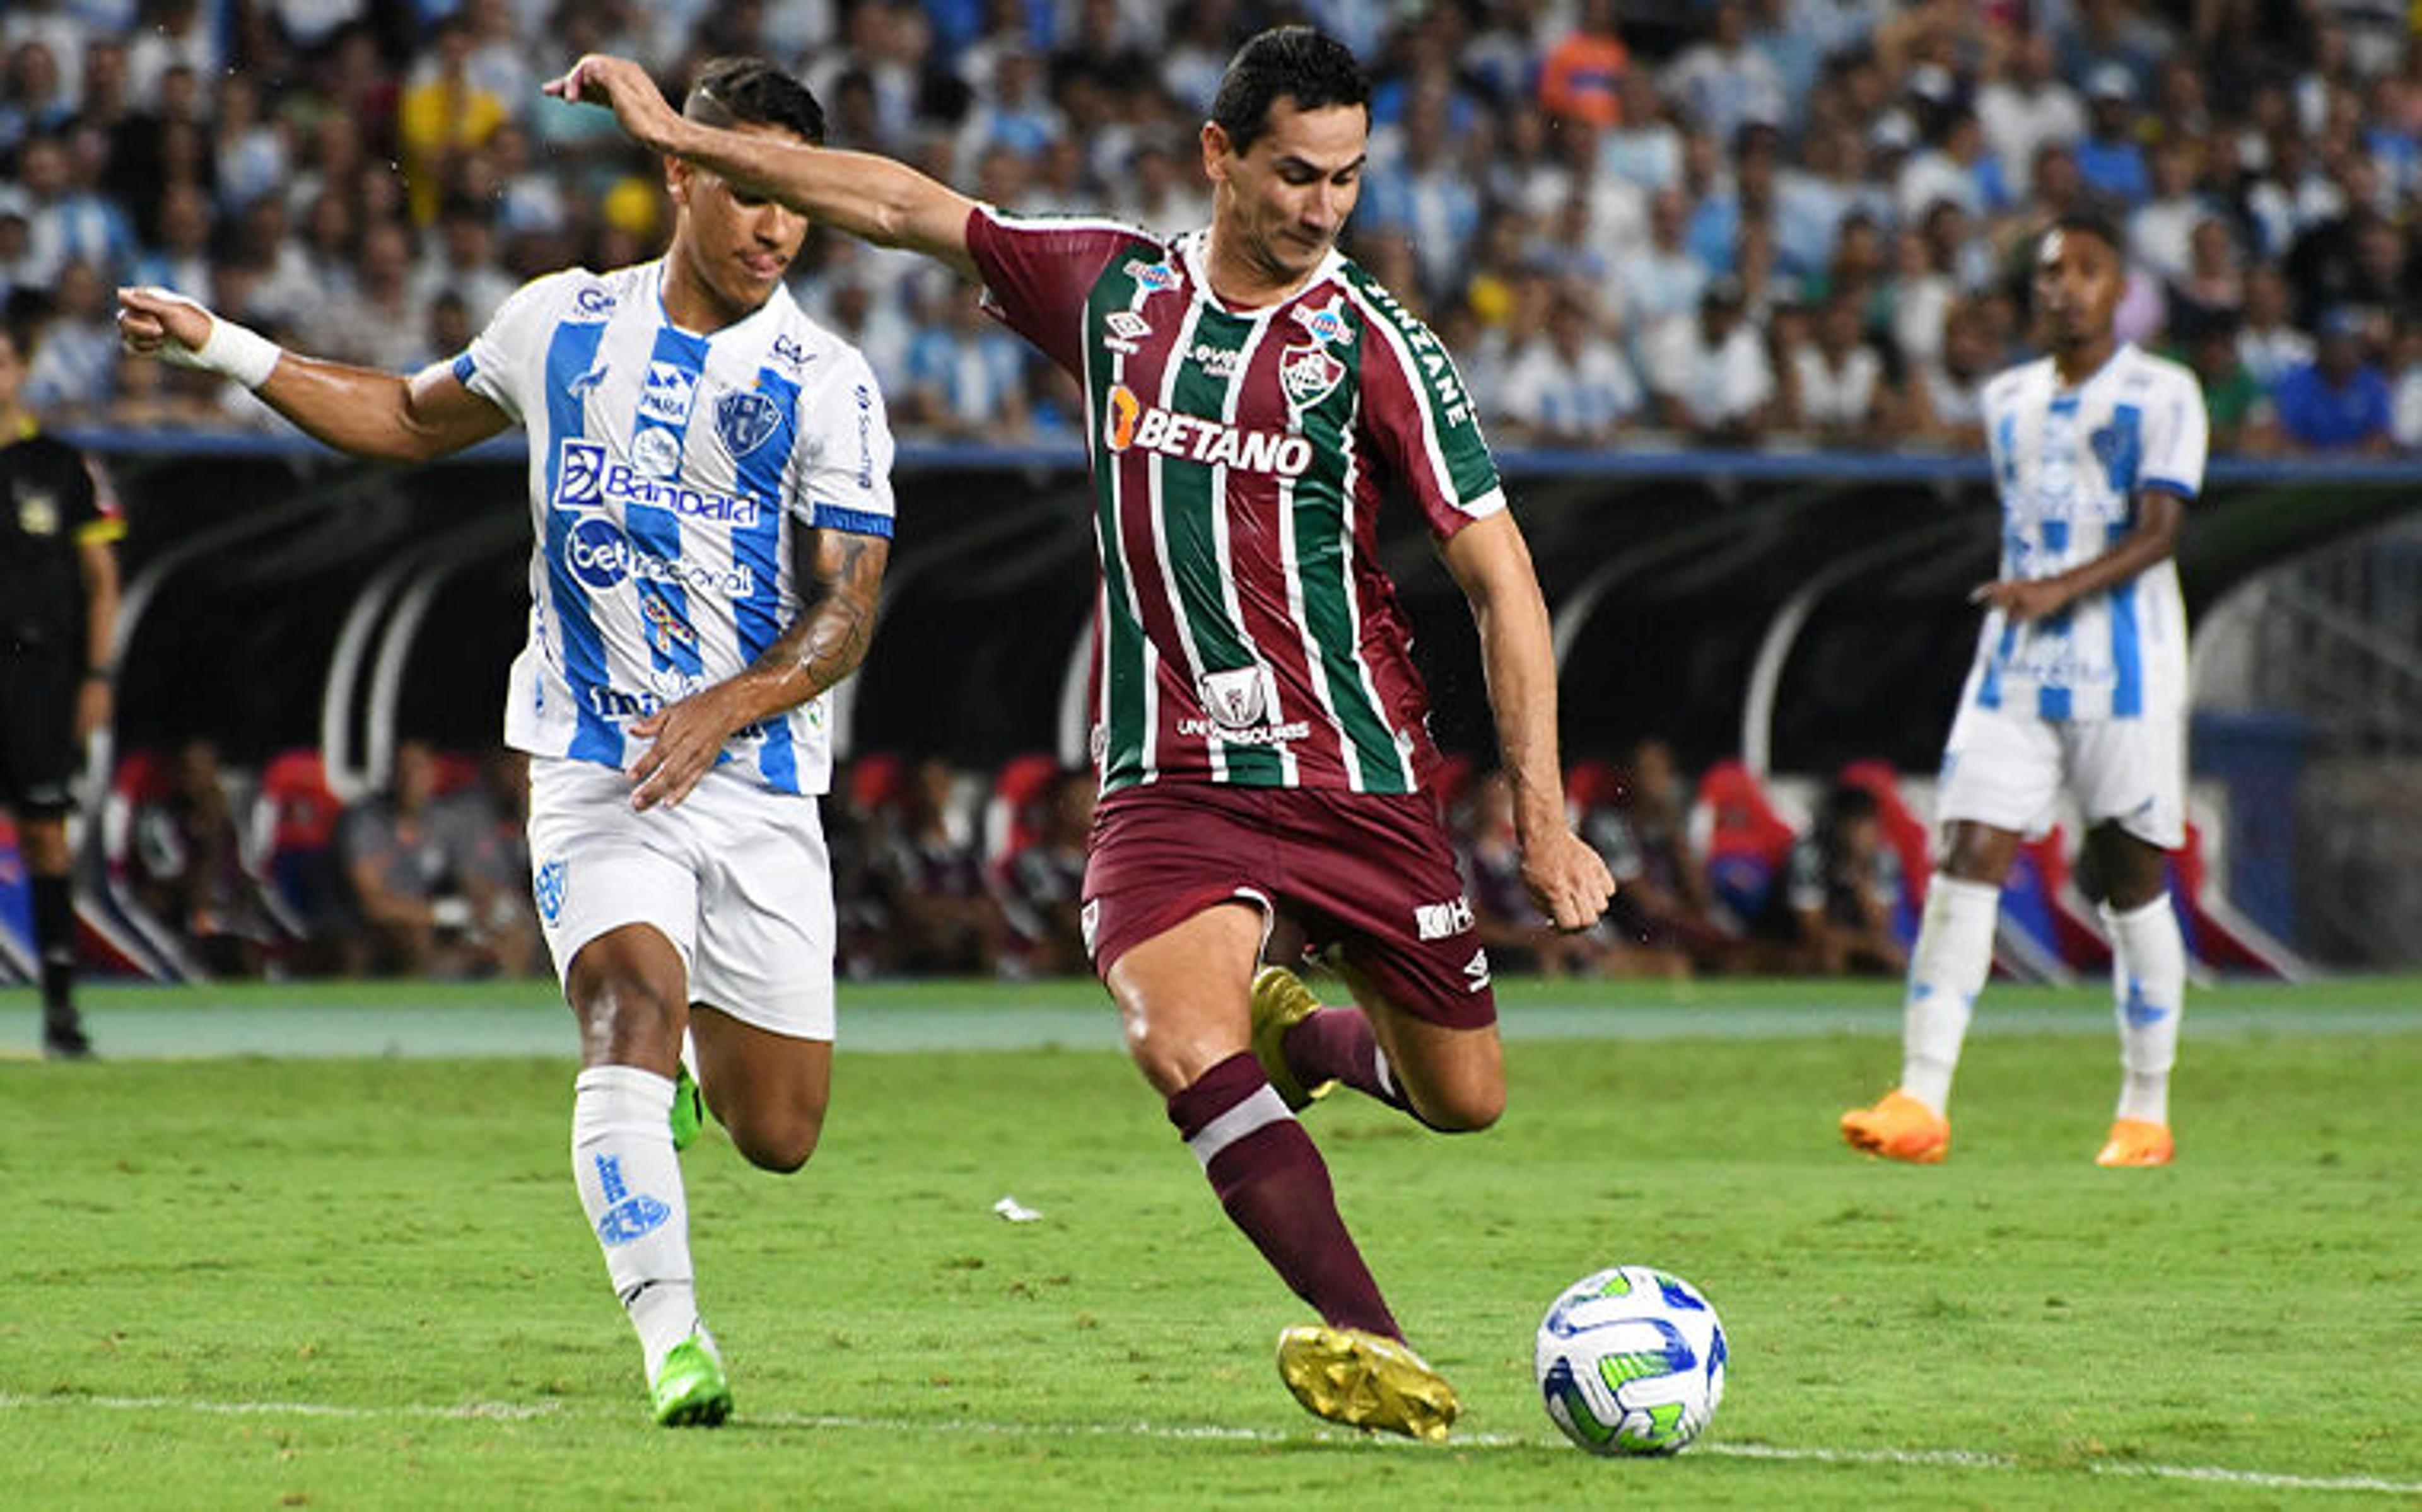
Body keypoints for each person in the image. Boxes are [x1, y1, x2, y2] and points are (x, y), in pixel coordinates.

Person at [548, 26, 1615, 1441]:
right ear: (1220, 156)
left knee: (1465, 1096)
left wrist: (1541, 811)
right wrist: (683, 142)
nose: (1321, 210)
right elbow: (897, 203)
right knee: (1177, 1039)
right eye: (1297, 174)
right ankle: (1380, 1340)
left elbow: (1503, 578)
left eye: (1349, 182)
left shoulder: (1380, 346)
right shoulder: (1115, 291)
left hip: (1360, 776)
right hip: (1170, 778)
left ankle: (1298, 1034)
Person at [117, 57, 898, 1428]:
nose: (774, 226)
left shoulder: (827, 380)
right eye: (746, 190)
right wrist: (219, 345)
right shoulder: (559, 325)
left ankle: (677, 1100)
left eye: (793, 202)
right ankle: (675, 1340)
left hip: (759, 774)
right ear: (679, 174)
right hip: (592, 756)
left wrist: (732, 701)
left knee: (780, 1130)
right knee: (627, 1009)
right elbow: (411, 420)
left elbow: (846, 609)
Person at [1842, 212, 2206, 1170]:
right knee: (1965, 857)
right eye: (2050, 272)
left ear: (2117, 284)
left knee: (2130, 881)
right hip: (2014, 668)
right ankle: (1921, 1098)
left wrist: (2055, 589)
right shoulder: (2007, 399)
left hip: (2125, 675)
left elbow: (2162, 531)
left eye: (2085, 270)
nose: (2065, 287)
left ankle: (2144, 1110)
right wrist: (2029, 598)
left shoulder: (2165, 392)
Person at [0, 311, 120, 1059]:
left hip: (38, 674)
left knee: (47, 835)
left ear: (21, 371)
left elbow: (101, 581)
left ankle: (61, 1009)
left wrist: (98, 674)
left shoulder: (62, 466)